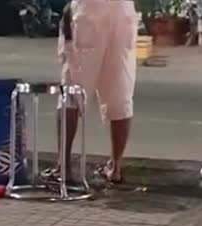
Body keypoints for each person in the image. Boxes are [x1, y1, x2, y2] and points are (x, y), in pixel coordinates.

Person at [43, 0, 138, 184]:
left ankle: (64, 167)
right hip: (123, 12)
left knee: (72, 90)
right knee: (120, 93)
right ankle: (115, 167)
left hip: (89, 11)